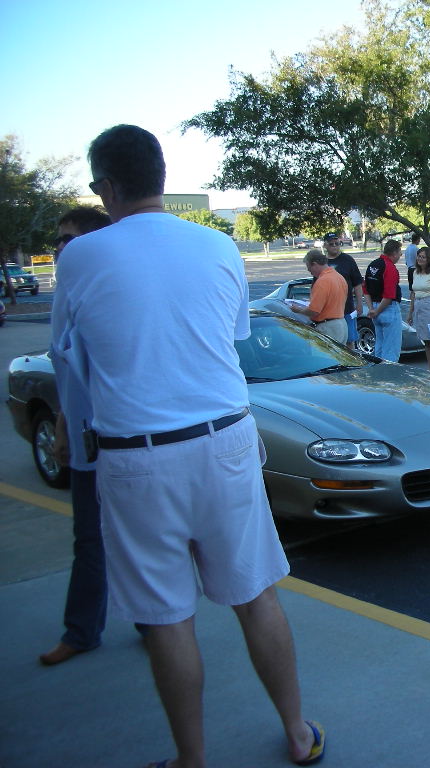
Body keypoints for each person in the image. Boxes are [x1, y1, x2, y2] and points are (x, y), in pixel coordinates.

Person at [53, 125, 323, 768]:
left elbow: (70, 358)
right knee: (256, 595)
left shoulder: (82, 256)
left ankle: (191, 761)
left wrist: (74, 434)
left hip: (138, 456)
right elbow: (225, 341)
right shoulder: (219, 246)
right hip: (227, 441)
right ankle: (296, 733)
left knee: (168, 618)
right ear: (162, 178)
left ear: (107, 187)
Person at [39, 206, 112, 668]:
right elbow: (65, 370)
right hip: (85, 441)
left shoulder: (109, 291)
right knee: (89, 540)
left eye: (68, 239)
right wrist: (64, 428)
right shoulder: (65, 292)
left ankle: (158, 624)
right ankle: (82, 631)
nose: (59, 248)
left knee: (145, 541)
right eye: (58, 240)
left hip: (126, 441)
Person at [288, 249, 348, 345]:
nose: (310, 272)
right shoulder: (339, 277)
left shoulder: (322, 281)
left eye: (309, 269)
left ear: (314, 264)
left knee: (324, 359)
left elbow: (314, 311)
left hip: (328, 327)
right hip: (342, 324)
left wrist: (298, 310)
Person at [323, 232, 364, 349]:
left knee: (349, 341)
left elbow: (357, 284)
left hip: (347, 309)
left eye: (337, 243)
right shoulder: (322, 262)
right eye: (331, 244)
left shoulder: (348, 260)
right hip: (329, 311)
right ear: (325, 245)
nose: (335, 246)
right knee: (332, 343)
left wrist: (359, 304)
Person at [366, 239, 403, 361]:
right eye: (399, 252)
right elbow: (389, 295)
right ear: (394, 253)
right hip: (388, 308)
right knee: (391, 350)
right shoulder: (390, 267)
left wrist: (372, 308)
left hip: (375, 307)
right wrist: (377, 311)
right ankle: (389, 377)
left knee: (380, 347)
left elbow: (366, 290)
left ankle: (379, 375)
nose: (400, 255)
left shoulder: (372, 265)